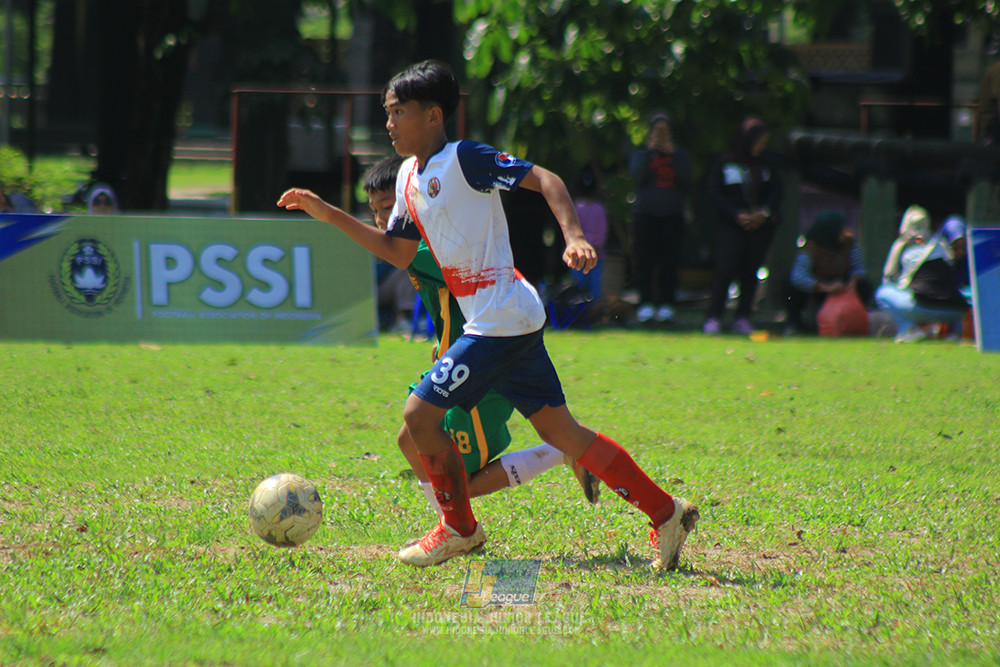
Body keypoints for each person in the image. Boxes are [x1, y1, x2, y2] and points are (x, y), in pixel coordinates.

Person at [278, 60, 699, 570]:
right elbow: (396, 250)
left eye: (399, 112)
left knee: (418, 419)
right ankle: (665, 510)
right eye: (387, 112)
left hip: (500, 317)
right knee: (562, 435)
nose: (389, 123)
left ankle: (460, 529)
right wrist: (327, 212)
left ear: (434, 116)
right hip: (506, 317)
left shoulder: (466, 159)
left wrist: (575, 235)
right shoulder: (409, 176)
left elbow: (546, 180)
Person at [361, 155, 600, 513]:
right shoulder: (428, 243)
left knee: (456, 479)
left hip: (482, 363)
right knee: (412, 441)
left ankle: (553, 455)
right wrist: (443, 343)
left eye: (387, 207)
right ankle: (453, 525)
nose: (381, 220)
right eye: (374, 212)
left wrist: (328, 215)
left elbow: (395, 253)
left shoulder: (424, 249)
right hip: (462, 356)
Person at [704, 117, 783, 336]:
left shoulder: (767, 164)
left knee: (751, 272)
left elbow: (777, 192)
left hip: (759, 227)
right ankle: (713, 317)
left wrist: (764, 213)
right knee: (726, 269)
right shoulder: (725, 162)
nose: (761, 146)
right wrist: (735, 214)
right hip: (731, 226)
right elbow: (714, 192)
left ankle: (743, 317)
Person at [628, 113, 691, 323]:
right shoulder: (641, 154)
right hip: (645, 214)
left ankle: (667, 304)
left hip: (672, 214)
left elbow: (687, 180)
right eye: (658, 131)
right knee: (644, 261)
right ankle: (645, 302)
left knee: (670, 262)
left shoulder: (680, 156)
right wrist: (650, 151)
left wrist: (672, 155)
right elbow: (637, 177)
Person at [875, 205, 969, 343]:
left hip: (923, 308)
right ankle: (954, 332)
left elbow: (890, 278)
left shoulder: (903, 247)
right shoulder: (942, 246)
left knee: (882, 292)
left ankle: (910, 330)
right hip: (957, 311)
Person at [783, 210, 871, 335]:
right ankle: (794, 323)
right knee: (789, 284)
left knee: (865, 286)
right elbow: (798, 276)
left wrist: (853, 281)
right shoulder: (810, 247)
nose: (844, 233)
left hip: (843, 286)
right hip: (817, 289)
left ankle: (854, 322)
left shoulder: (850, 244)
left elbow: (859, 268)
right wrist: (825, 287)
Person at [570, 169, 608, 301]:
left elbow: (602, 231)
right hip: (581, 253)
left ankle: (592, 312)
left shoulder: (581, 207)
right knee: (580, 286)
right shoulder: (579, 207)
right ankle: (581, 312)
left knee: (594, 287)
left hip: (592, 253)